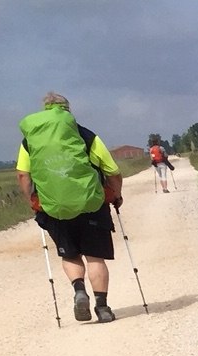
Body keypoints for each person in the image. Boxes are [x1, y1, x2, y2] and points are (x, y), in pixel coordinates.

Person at [16, 92, 123, 323]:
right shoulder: (85, 135)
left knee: (71, 253)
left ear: (45, 109)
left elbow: (23, 175)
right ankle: (103, 308)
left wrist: (33, 200)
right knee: (95, 257)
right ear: (68, 109)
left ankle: (79, 290)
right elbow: (112, 171)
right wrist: (117, 194)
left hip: (53, 207)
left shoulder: (30, 140)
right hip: (91, 204)